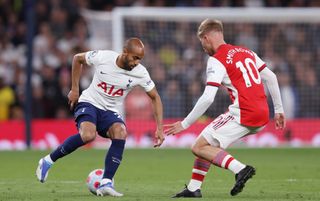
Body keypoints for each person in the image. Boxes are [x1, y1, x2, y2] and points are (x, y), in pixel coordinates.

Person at [165, 19, 285, 198]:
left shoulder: (216, 59)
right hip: (262, 113)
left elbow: (208, 98)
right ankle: (193, 188)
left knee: (197, 147)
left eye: (202, 43)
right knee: (206, 143)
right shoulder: (246, 51)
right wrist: (279, 110)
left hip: (243, 113)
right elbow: (271, 77)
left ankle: (240, 169)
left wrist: (185, 123)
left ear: (206, 38)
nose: (203, 47)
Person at [36, 37, 165, 197]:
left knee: (121, 132)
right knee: (88, 135)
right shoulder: (104, 57)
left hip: (109, 111)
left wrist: (160, 128)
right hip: (89, 103)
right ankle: (47, 161)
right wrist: (74, 89)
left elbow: (155, 97)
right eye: (135, 57)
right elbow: (78, 59)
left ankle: (106, 182)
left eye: (140, 59)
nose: (137, 62)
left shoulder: (140, 73)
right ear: (125, 52)